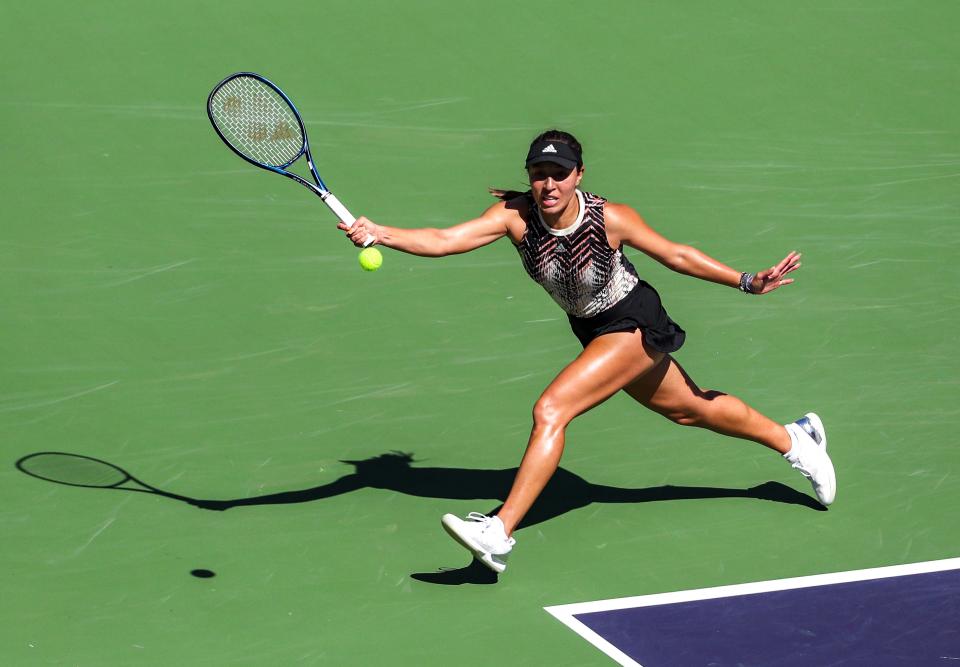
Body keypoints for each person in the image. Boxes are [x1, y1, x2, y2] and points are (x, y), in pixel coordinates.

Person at [338, 129, 836, 574]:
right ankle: (796, 440)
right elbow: (445, 240)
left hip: (633, 321)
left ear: (578, 175)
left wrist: (746, 281)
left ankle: (499, 532)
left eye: (559, 173)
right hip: (594, 330)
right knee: (691, 409)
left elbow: (676, 254)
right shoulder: (514, 217)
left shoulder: (609, 218)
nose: (548, 185)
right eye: (539, 174)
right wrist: (382, 232)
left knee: (551, 409)